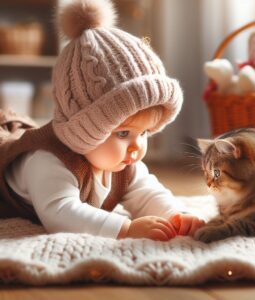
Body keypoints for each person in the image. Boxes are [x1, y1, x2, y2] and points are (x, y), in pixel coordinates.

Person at [0, 0, 204, 241]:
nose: (137, 146)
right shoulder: (49, 161)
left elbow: (148, 193)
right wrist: (124, 229)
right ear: (85, 130)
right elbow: (59, 212)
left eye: (145, 132)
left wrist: (175, 215)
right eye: (123, 133)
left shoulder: (124, 163)